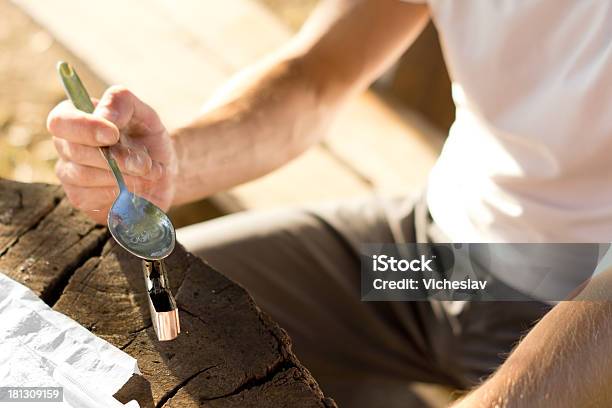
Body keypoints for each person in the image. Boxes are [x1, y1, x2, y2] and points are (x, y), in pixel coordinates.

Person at [46, 0, 612, 406]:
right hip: (434, 264)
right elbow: (318, 74)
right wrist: (168, 166)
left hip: (585, 314)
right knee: (97, 322)